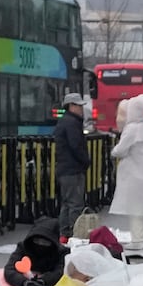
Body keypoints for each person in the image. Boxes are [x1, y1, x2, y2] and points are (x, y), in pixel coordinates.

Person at [108, 93, 143, 251]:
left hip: (133, 174)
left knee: (135, 208)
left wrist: (113, 151)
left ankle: (137, 239)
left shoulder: (131, 130)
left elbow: (121, 150)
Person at [54, 93, 91, 237]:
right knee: (75, 204)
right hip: (73, 169)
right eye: (79, 106)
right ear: (71, 106)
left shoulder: (65, 121)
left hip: (64, 169)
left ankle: (64, 233)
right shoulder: (72, 123)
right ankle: (75, 234)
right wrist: (85, 161)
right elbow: (76, 145)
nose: (81, 109)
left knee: (67, 203)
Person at [4, 217, 67, 286]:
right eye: (37, 240)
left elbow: (60, 271)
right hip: (23, 283)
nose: (40, 244)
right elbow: (10, 269)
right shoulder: (23, 247)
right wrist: (23, 282)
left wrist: (43, 281)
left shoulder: (61, 252)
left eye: (45, 242)